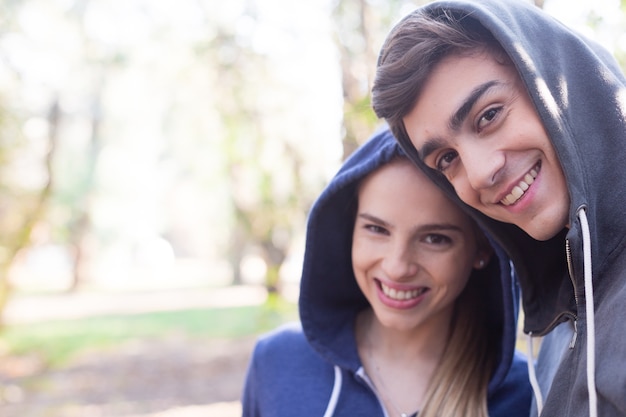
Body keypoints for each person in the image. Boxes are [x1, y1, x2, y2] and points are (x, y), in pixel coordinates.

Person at [371, 0, 626, 416]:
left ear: (559, 79)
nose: (480, 174)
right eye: (446, 160)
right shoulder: (566, 326)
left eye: (489, 115)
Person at [241, 128, 531, 417]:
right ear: (349, 231)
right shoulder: (277, 363)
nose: (397, 267)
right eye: (377, 229)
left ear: (482, 251)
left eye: (434, 238)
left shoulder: (523, 394)